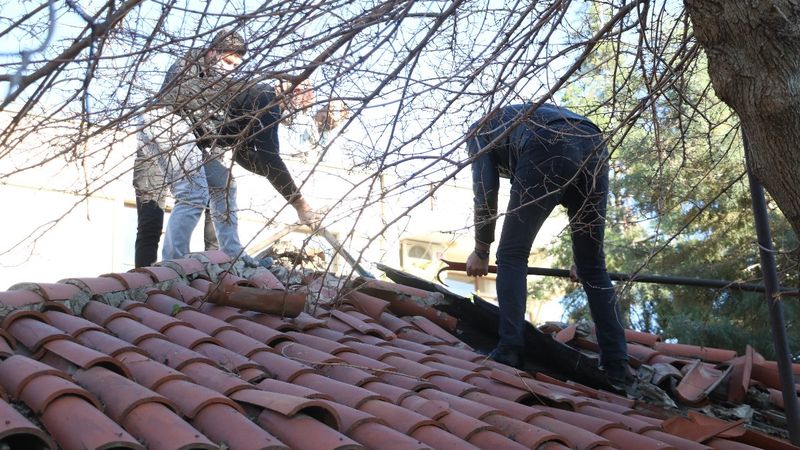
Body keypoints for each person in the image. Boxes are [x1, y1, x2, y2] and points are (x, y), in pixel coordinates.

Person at [464, 102, 629, 387]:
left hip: (548, 139)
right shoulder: (517, 119)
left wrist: (481, 249)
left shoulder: (478, 133)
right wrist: (581, 257)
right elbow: (566, 187)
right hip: (593, 141)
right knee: (592, 266)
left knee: (512, 254)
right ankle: (618, 365)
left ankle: (510, 349)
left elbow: (485, 189)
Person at [137, 30, 250, 262]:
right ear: (212, 52)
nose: (230, 69)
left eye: (235, 66)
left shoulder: (224, 84)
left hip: (189, 140)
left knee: (224, 184)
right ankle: (174, 261)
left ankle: (232, 253)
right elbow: (187, 100)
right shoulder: (186, 65)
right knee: (193, 192)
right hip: (164, 125)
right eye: (227, 62)